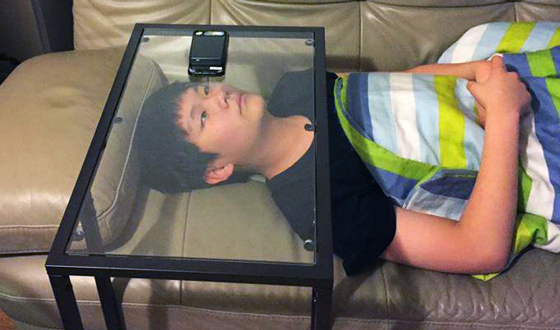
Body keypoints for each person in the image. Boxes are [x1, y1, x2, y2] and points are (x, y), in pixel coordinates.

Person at [135, 56, 531, 276]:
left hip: (486, 94)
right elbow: (479, 248)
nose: (218, 94)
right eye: (201, 117)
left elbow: (398, 83)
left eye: (205, 89)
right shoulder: (317, 206)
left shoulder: (294, 85)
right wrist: (503, 114)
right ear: (217, 170)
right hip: (506, 131)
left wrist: (480, 70)